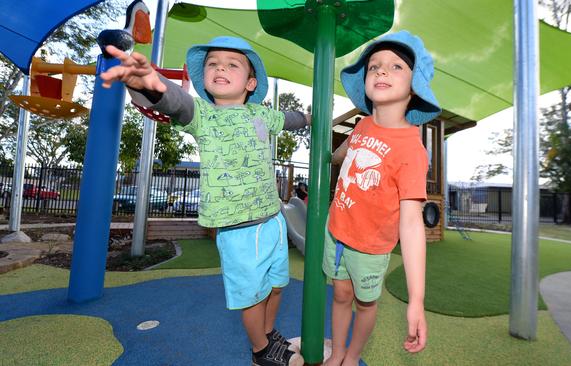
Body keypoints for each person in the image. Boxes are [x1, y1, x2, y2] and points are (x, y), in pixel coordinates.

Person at [100, 36, 310, 366]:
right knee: (252, 298)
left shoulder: (260, 114)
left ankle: (269, 335)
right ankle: (260, 351)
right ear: (206, 79)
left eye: (231, 64)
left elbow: (290, 119)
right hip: (238, 229)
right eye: (213, 63)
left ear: (250, 82)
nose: (220, 68)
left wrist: (312, 117)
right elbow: (174, 100)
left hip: (272, 220)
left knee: (277, 286)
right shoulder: (203, 115)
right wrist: (152, 83)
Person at [322, 30, 441, 366]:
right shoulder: (361, 127)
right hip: (337, 231)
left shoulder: (411, 150)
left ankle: (352, 355)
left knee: (364, 303)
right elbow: (338, 157)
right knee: (340, 293)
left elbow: (412, 224)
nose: (381, 71)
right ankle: (339, 351)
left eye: (395, 66)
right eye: (374, 66)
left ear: (414, 85)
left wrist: (416, 299)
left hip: (370, 247)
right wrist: (322, 146)